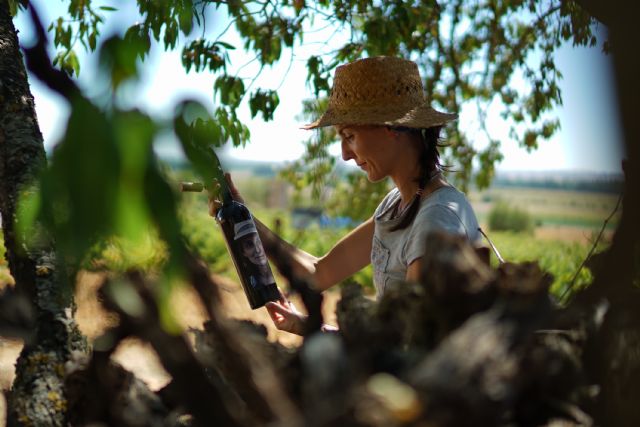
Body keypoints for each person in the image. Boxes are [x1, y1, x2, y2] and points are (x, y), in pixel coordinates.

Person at [211, 56, 480, 335]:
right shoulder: (395, 207)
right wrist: (240, 215)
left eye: (349, 136)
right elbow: (319, 273)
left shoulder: (437, 218)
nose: (345, 154)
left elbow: (410, 342)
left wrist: (314, 330)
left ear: (390, 127)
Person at [233, 219, 275, 288]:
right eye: (249, 245)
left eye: (259, 242)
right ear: (243, 252)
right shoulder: (252, 284)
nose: (258, 250)